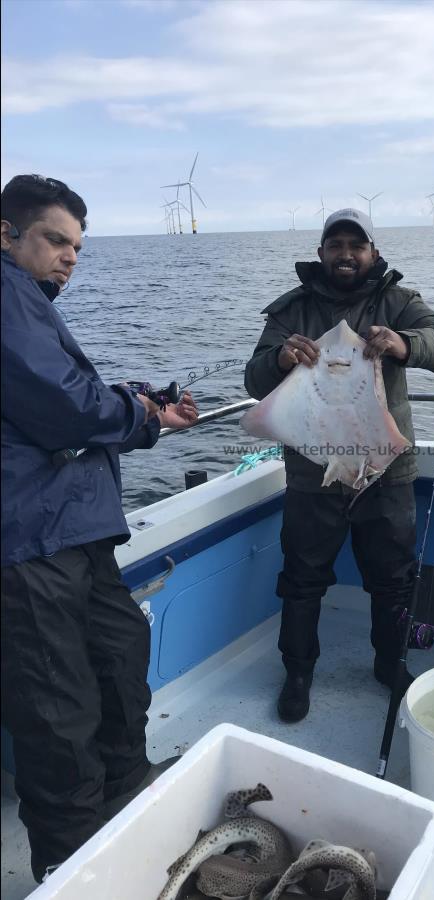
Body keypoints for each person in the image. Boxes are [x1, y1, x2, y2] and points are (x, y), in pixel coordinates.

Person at [0, 174, 199, 882]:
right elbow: (61, 407)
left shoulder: (28, 304)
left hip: (74, 535)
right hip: (28, 546)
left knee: (119, 663)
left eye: (78, 247)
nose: (70, 258)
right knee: (59, 720)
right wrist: (138, 413)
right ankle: (76, 872)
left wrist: (138, 410)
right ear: (7, 234)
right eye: (56, 239)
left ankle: (126, 808)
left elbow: (69, 409)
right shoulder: (4, 295)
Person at [244, 208, 434, 723]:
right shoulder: (291, 311)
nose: (346, 254)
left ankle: (390, 663)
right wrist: (279, 358)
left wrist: (404, 344)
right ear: (321, 253)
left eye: (355, 246)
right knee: (301, 578)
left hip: (385, 468)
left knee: (393, 578)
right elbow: (254, 381)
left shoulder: (398, 301)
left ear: (373, 253)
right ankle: (298, 673)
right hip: (313, 468)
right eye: (335, 245)